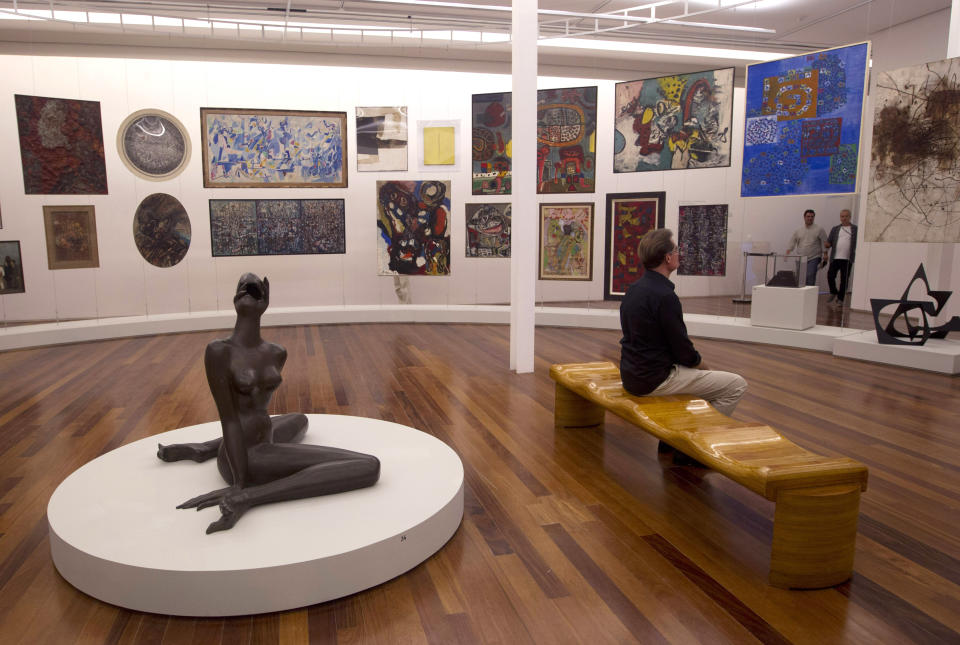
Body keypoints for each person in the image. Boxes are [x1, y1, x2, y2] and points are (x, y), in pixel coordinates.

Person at [158, 273, 380, 533]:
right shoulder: (219, 352)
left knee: (299, 419)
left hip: (264, 437)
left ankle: (202, 450)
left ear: (266, 302)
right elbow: (228, 419)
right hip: (245, 456)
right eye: (243, 289)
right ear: (234, 300)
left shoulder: (276, 353)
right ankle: (254, 496)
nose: (249, 292)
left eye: (255, 291)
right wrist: (240, 485)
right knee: (368, 465)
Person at [619, 229, 747, 417]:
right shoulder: (665, 297)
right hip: (654, 380)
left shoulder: (634, 289)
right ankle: (692, 440)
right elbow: (683, 350)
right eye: (677, 249)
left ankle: (672, 437)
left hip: (631, 375)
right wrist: (704, 367)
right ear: (668, 258)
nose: (680, 253)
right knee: (736, 385)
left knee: (702, 379)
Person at [785, 209, 828, 287]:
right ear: (804, 217)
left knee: (810, 275)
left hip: (814, 257)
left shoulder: (819, 229)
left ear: (814, 217)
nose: (810, 218)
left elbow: (824, 242)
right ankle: (801, 295)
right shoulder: (798, 230)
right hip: (800, 258)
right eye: (808, 216)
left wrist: (825, 254)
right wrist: (788, 252)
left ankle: (809, 296)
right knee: (800, 278)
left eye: (812, 216)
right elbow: (792, 241)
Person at [825, 209, 857, 308]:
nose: (844, 218)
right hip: (835, 257)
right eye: (842, 216)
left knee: (844, 280)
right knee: (830, 275)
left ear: (850, 217)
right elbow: (829, 242)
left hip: (847, 259)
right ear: (840, 217)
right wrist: (827, 245)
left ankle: (840, 298)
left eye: (846, 216)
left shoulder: (855, 229)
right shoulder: (835, 229)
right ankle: (833, 291)